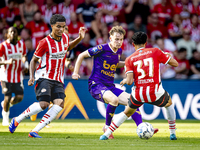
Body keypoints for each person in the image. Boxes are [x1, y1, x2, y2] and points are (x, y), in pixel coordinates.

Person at [72, 26, 158, 139]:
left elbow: (116, 63)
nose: (119, 42)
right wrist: (75, 72)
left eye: (121, 39)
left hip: (109, 86)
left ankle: (141, 126)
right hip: (96, 84)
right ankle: (107, 128)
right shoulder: (101, 48)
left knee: (133, 101)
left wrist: (129, 63)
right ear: (110, 38)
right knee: (114, 100)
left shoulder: (119, 51)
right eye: (116, 39)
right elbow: (81, 55)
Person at [8, 14, 87, 138]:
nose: (61, 29)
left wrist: (79, 38)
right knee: (44, 104)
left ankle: (35, 131)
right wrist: (31, 77)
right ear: (52, 26)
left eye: (63, 27)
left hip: (58, 79)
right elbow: (34, 60)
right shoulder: (44, 42)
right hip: (44, 77)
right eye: (58, 27)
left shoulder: (65, 37)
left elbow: (68, 47)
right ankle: (17, 119)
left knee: (60, 104)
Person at [99, 31, 178, 141]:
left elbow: (130, 81)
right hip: (155, 92)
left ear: (133, 44)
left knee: (127, 112)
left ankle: (106, 134)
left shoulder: (129, 59)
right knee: (169, 104)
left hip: (138, 94)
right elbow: (175, 64)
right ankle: (172, 133)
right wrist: (166, 57)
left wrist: (126, 80)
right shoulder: (155, 51)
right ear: (146, 42)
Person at [0, 27, 27, 126]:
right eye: (11, 32)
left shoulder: (21, 44)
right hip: (5, 76)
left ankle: (6, 105)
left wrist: (26, 64)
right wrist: (7, 62)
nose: (13, 34)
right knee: (7, 97)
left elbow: (24, 55)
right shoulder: (3, 46)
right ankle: (5, 118)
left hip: (18, 75)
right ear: (7, 34)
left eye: (15, 32)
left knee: (19, 97)